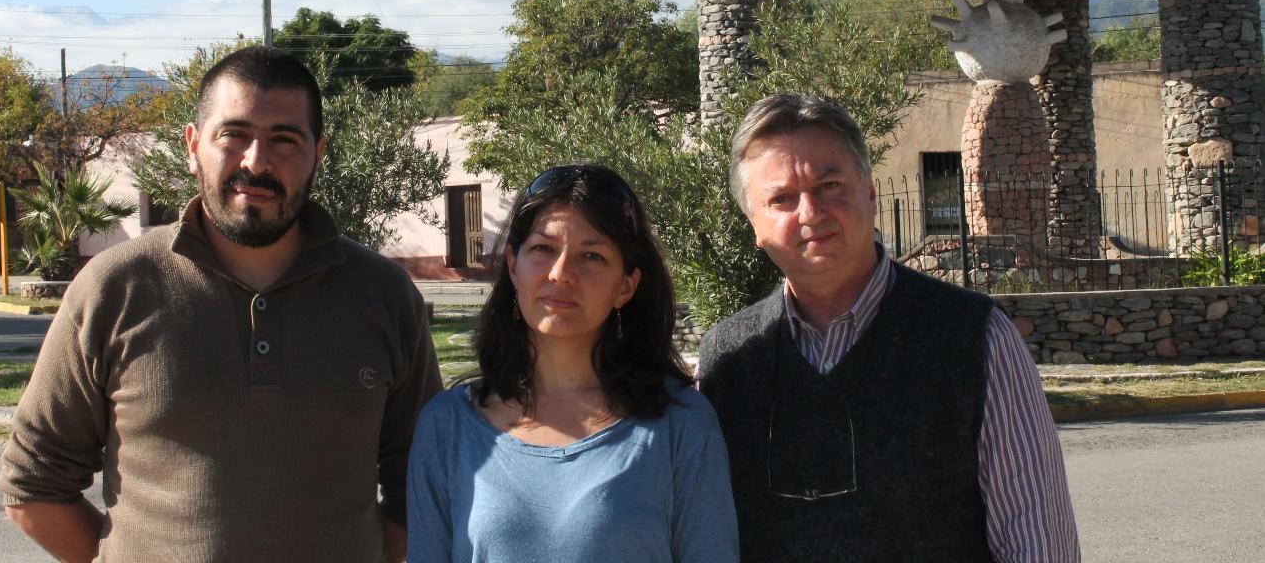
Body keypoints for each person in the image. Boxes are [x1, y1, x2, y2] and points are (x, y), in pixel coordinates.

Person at [0, 47, 441, 563]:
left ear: (318, 153)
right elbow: (33, 482)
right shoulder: (114, 288)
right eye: (234, 135)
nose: (256, 161)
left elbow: (423, 481)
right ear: (192, 146)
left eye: (284, 139)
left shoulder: (383, 295)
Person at [698, 94, 1079, 563]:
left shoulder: (975, 340)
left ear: (870, 191)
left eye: (830, 184)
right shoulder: (728, 361)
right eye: (781, 199)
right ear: (753, 223)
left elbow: (1037, 542)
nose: (811, 213)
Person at [407, 164, 738, 563]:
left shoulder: (681, 425)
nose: (561, 274)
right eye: (543, 249)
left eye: (592, 256)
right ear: (513, 264)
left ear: (626, 285)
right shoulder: (447, 427)